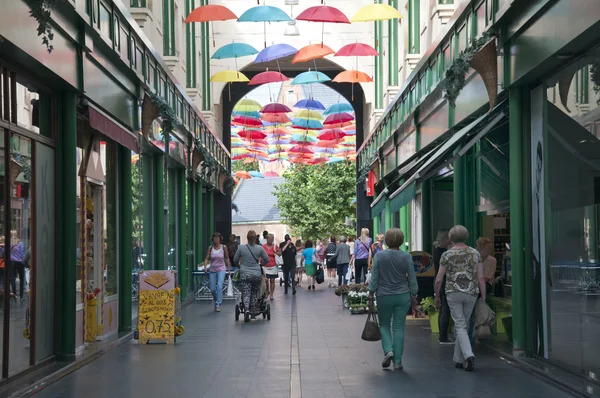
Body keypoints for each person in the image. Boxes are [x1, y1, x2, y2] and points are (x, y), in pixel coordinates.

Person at [434, 225, 486, 371]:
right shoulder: (475, 253)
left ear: (451, 238)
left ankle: (469, 355)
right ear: (466, 236)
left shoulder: (447, 255)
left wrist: (436, 294)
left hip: (453, 292)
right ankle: (458, 359)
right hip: (471, 292)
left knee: (460, 325)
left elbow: (439, 278)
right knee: (464, 325)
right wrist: (483, 295)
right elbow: (481, 277)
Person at [369, 228, 418, 370]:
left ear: (387, 240)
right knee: (399, 327)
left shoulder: (379, 256)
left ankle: (388, 349)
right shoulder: (406, 257)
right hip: (403, 295)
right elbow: (412, 277)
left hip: (384, 294)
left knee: (384, 324)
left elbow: (375, 277)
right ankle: (398, 361)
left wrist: (371, 292)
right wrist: (414, 293)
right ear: (401, 240)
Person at [233, 230, 270, 322]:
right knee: (254, 293)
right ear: (255, 239)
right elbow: (267, 259)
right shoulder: (260, 248)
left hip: (245, 274)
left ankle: (247, 310)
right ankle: (253, 312)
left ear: (247, 237)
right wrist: (260, 265)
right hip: (256, 274)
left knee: (246, 292)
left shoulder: (241, 248)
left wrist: (240, 266)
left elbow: (235, 259)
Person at [433, 228, 453, 344]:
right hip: (446, 282)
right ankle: (443, 336)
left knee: (443, 309)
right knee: (446, 309)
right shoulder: (443, 253)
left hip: (441, 282)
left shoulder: (437, 250)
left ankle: (442, 334)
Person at [203, 232, 231, 312]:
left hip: (221, 269)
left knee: (219, 286)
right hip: (212, 270)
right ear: (213, 239)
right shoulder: (210, 248)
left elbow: (227, 258)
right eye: (215, 238)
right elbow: (206, 258)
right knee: (212, 289)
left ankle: (218, 304)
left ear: (220, 239)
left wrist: (228, 269)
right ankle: (216, 299)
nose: (216, 239)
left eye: (217, 238)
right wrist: (205, 267)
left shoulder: (223, 247)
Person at [262, 233, 281, 301]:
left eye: (272, 239)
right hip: (265, 265)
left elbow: (280, 254)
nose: (271, 240)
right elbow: (260, 254)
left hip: (273, 265)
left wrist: (275, 252)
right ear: (267, 239)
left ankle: (272, 295)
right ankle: (267, 290)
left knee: (272, 280)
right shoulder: (263, 246)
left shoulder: (275, 246)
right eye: (270, 239)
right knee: (266, 280)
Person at [10, 231, 25, 299]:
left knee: (13, 278)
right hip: (19, 262)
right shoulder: (20, 243)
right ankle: (21, 295)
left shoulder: (9, 243)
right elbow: (22, 253)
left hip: (12, 262)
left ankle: (14, 294)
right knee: (21, 278)